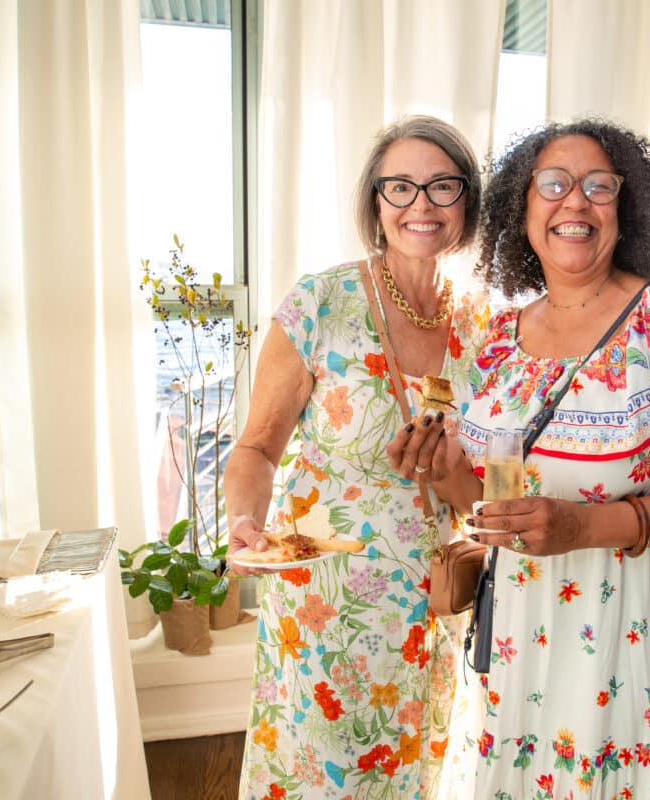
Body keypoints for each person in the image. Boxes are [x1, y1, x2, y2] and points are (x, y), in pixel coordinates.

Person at [389, 118, 650, 799]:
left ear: (629, 205)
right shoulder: (501, 339)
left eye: (598, 186)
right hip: (517, 628)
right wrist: (442, 471)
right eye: (552, 184)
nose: (575, 202)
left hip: (624, 634)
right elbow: (490, 506)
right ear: (520, 212)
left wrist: (582, 527)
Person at [223, 115, 491, 799]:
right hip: (326, 601)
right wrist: (245, 521)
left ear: (468, 200)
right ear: (375, 202)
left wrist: (447, 472)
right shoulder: (322, 302)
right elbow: (256, 448)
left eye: (441, 186)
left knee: (414, 766)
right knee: (324, 772)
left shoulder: (483, 326)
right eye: (399, 187)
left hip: (429, 599)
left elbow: (490, 491)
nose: (420, 206)